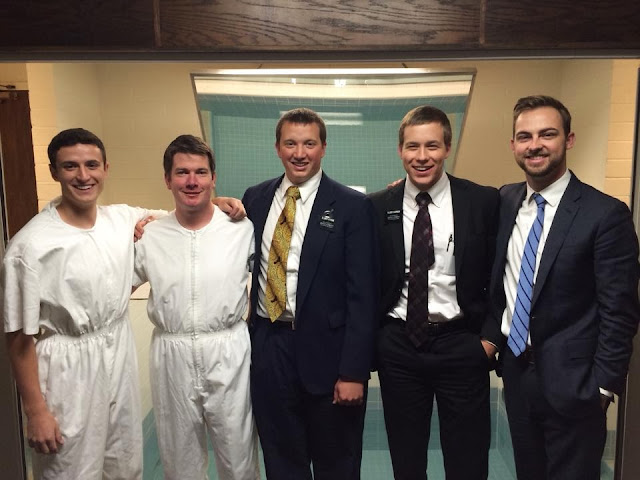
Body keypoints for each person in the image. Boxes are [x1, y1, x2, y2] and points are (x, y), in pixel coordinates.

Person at [1, 128, 243, 480]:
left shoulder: (121, 219)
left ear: (105, 168)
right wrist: (35, 411)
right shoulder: (30, 246)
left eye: (91, 165)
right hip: (67, 370)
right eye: (70, 166)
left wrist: (216, 203)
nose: (83, 176)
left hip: (119, 357)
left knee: (125, 467)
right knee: (70, 470)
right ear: (54, 171)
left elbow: (179, 216)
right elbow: (18, 337)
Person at [482, 95, 640, 480]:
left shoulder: (605, 214)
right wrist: (407, 191)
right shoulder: (504, 201)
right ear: (513, 145)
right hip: (517, 374)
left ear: (568, 139)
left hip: (576, 385)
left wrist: (602, 388)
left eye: (547, 134)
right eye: (525, 136)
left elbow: (620, 311)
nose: (535, 145)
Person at [242, 107, 379, 480]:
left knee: (338, 465)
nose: (299, 153)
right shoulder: (255, 198)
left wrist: (354, 372)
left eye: (309, 144)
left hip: (329, 356)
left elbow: (363, 296)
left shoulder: (352, 206)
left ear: (323, 148)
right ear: (277, 147)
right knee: (281, 461)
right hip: (269, 349)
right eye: (290, 143)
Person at [369, 105, 499, 480]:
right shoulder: (377, 206)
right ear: (400, 150)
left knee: (468, 461)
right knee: (406, 461)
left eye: (432, 146)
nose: (422, 156)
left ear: (447, 148)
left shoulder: (483, 201)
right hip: (399, 346)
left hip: (462, 343)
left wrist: (489, 341)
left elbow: (501, 272)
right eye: (413, 146)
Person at [132, 135, 259, 480]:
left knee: (238, 457)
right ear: (167, 179)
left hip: (228, 351)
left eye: (201, 172)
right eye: (182, 172)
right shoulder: (150, 235)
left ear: (213, 178)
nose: (192, 181)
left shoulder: (241, 229)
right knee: (179, 460)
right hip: (171, 354)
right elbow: (118, 288)